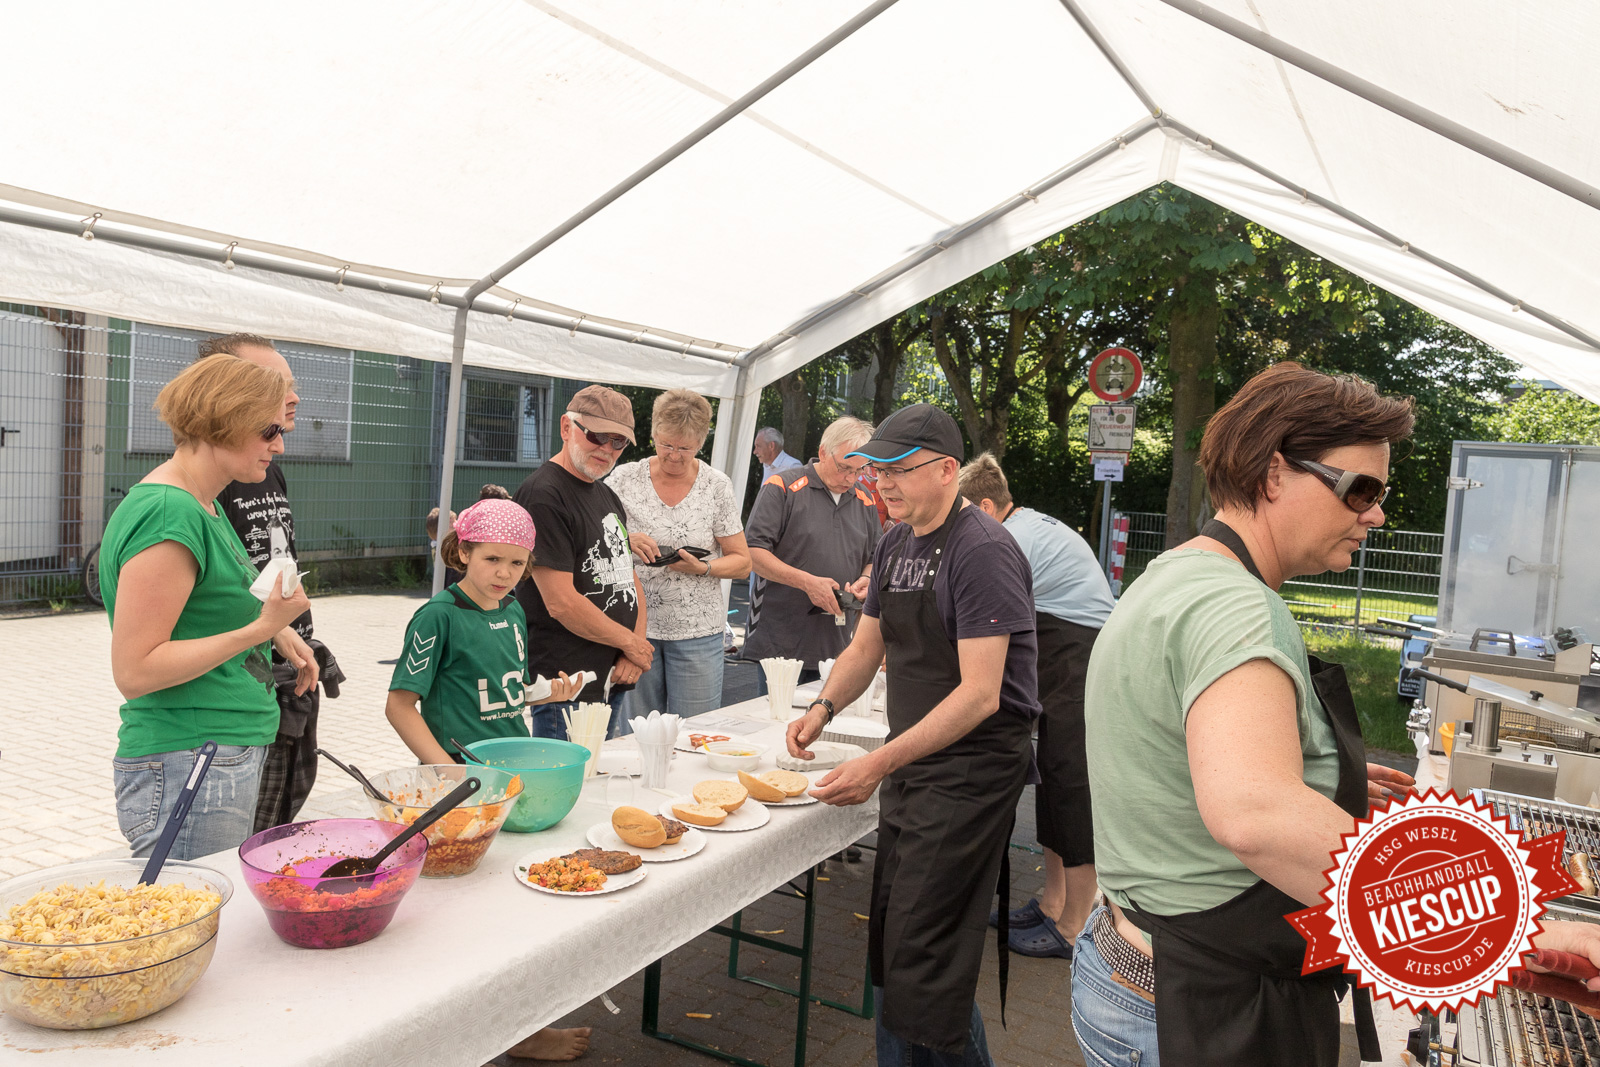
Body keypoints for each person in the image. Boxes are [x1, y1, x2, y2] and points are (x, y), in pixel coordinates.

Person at [1074, 361, 1600, 1064]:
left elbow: (1182, 762)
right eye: (1361, 489)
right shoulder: (1236, 607)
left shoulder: (1174, 577)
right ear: (1273, 474)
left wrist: (1319, 779)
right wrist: (1512, 922)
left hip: (1129, 967)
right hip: (1196, 1008)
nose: (1375, 513)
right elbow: (1257, 814)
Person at [786, 404, 1040, 1067]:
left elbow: (981, 693)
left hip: (973, 772)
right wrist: (822, 708)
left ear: (948, 470)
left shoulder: (982, 550)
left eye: (898, 468)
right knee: (899, 952)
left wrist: (877, 763)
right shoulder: (896, 541)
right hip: (916, 765)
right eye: (876, 469)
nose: (882, 483)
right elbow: (865, 645)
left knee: (921, 960)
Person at [384, 497, 587, 1062]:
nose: (504, 574)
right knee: (466, 925)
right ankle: (464, 1031)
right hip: (460, 795)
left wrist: (545, 694)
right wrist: (451, 777)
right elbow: (400, 706)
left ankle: (517, 1027)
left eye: (517, 563)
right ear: (463, 552)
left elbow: (504, 694)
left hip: (509, 783)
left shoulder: (515, 610)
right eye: (492, 559)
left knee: (515, 913)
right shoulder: (437, 617)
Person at [101, 355, 314, 860]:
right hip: (191, 756)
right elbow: (136, 670)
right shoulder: (169, 514)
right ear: (224, 420)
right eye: (268, 431)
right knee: (196, 906)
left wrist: (277, 631)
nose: (279, 446)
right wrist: (259, 628)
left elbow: (202, 607)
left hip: (210, 753)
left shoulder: (204, 504)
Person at [959, 453, 1112, 961]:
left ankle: (1074, 925)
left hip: (1081, 658)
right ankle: (1052, 903)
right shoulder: (1023, 525)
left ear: (986, 507)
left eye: (964, 514)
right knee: (1049, 780)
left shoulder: (1010, 539)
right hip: (1064, 653)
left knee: (1068, 784)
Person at [193, 334, 339, 837]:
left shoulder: (265, 467)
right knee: (248, 838)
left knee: (279, 820)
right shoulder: (207, 482)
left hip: (288, 667)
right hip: (245, 681)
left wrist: (291, 636)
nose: (292, 398)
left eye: (291, 385)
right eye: (275, 386)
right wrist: (268, 635)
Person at [513, 385, 649, 738]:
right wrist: (631, 644)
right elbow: (560, 602)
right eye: (597, 435)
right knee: (569, 774)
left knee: (599, 770)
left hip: (611, 675)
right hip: (566, 684)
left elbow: (628, 577)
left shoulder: (606, 494)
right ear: (566, 427)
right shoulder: (543, 494)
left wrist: (633, 650)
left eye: (618, 441)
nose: (607, 448)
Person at [607, 389, 750, 718]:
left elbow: (743, 562)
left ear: (701, 442)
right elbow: (592, 542)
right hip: (634, 629)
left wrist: (703, 568)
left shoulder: (716, 485)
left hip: (697, 631)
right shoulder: (624, 478)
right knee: (637, 731)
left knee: (696, 730)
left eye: (684, 448)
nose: (673, 455)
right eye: (666, 444)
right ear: (653, 433)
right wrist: (625, 540)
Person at [741, 417, 881, 692]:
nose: (850, 478)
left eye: (860, 470)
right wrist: (807, 582)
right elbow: (753, 553)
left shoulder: (865, 498)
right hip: (781, 639)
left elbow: (875, 557)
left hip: (837, 641)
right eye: (844, 468)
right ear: (822, 452)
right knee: (776, 714)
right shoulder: (782, 486)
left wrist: (866, 579)